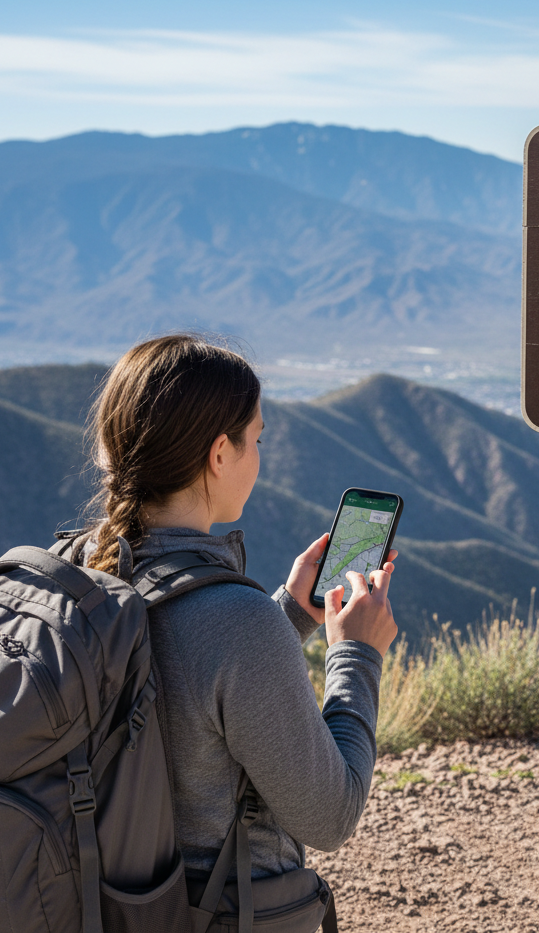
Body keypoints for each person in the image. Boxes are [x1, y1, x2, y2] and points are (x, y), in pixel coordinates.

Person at [82, 334, 398, 897]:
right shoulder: (236, 624)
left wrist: (288, 617)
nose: (259, 456)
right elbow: (331, 816)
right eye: (254, 439)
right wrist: (357, 653)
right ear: (219, 454)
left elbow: (180, 663)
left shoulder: (86, 573)